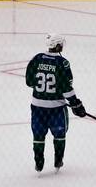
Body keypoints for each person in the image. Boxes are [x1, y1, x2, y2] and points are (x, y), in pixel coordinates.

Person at [25, 32, 86, 173]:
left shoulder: (37, 58)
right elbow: (66, 87)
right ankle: (58, 160)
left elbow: (29, 81)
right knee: (59, 134)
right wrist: (76, 104)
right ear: (58, 45)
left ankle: (38, 163)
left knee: (38, 135)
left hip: (37, 106)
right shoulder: (62, 62)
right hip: (56, 108)